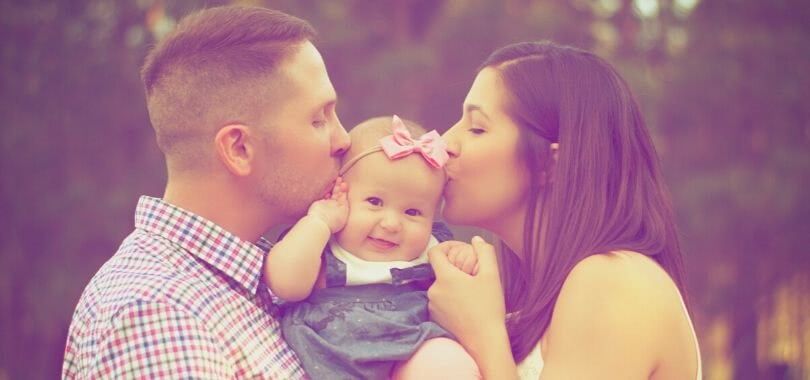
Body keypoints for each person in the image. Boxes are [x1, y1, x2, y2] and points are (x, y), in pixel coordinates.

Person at [62, 6, 350, 378]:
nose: (343, 139)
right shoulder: (156, 315)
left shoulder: (262, 279)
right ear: (239, 149)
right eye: (318, 119)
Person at [425, 41, 702, 379]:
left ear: (550, 163)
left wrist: (482, 334)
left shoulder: (614, 280)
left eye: (477, 128)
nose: (445, 143)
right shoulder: (527, 300)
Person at [266, 116, 480, 379]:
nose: (391, 224)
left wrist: (463, 260)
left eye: (412, 211)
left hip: (411, 349)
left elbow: (466, 297)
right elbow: (285, 284)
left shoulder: (432, 250)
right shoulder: (321, 243)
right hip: (329, 361)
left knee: (445, 361)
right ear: (337, 192)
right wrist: (319, 221)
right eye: (375, 201)